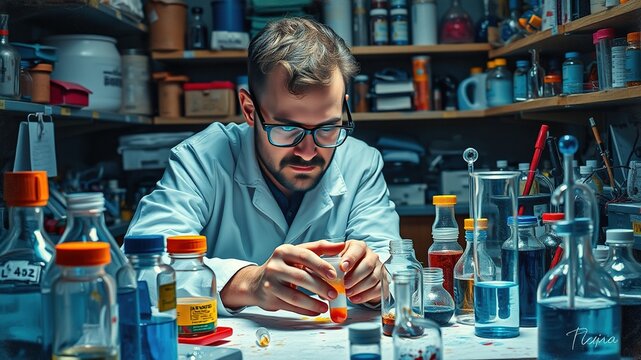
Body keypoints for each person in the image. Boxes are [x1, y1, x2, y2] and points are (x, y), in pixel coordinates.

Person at [126, 17, 401, 317]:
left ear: (343, 107)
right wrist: (247, 283)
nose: (308, 152)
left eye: (327, 127)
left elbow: (396, 267)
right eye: (287, 129)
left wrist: (379, 279)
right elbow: (142, 269)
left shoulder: (360, 163)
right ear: (248, 109)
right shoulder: (201, 160)